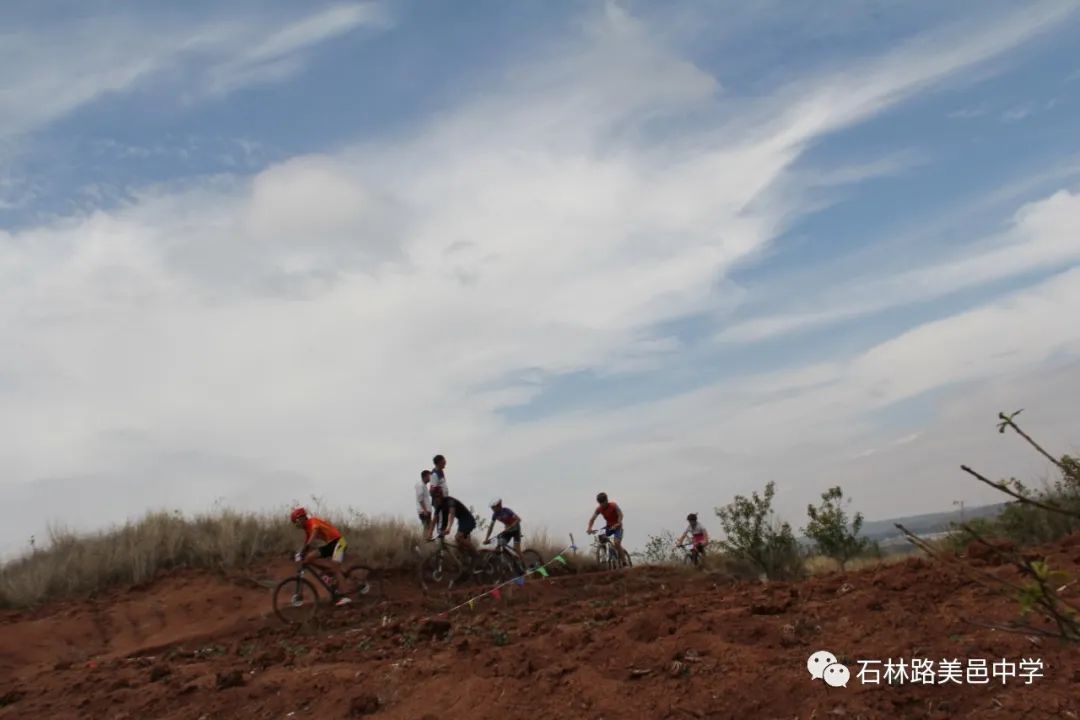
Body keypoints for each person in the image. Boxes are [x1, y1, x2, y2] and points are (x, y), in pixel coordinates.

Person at [290, 507, 358, 605]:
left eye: (296, 522)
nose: (296, 525)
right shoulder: (307, 529)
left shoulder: (312, 522)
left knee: (335, 568)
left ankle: (344, 596)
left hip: (339, 542)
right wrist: (300, 553)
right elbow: (307, 543)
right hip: (331, 545)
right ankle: (327, 571)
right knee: (308, 558)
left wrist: (305, 548)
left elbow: (314, 533)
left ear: (302, 518)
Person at [427, 493, 481, 573]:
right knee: (459, 545)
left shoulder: (450, 501)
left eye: (436, 497)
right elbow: (434, 520)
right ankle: (466, 564)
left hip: (468, 520)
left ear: (441, 496)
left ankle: (476, 554)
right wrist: (430, 533)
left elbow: (451, 514)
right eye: (434, 498)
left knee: (458, 537)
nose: (435, 500)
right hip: (461, 521)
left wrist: (448, 528)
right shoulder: (439, 506)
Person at [586, 492, 629, 566]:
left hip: (618, 528)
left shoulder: (613, 505)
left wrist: (618, 523)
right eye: (600, 503)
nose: (602, 505)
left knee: (617, 543)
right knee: (600, 535)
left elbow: (620, 515)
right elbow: (592, 519)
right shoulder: (599, 509)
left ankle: (624, 561)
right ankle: (604, 555)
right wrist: (589, 528)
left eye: (603, 503)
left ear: (606, 500)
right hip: (609, 527)